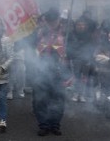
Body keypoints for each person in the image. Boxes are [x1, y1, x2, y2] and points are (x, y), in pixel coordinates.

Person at [31, 8, 72, 136]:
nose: (52, 23)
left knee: (58, 99)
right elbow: (31, 48)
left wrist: (68, 51)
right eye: (50, 20)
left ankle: (55, 124)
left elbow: (74, 50)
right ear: (46, 20)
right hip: (41, 70)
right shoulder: (39, 32)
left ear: (59, 19)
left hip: (60, 71)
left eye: (54, 20)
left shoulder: (66, 33)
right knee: (40, 100)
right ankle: (43, 125)